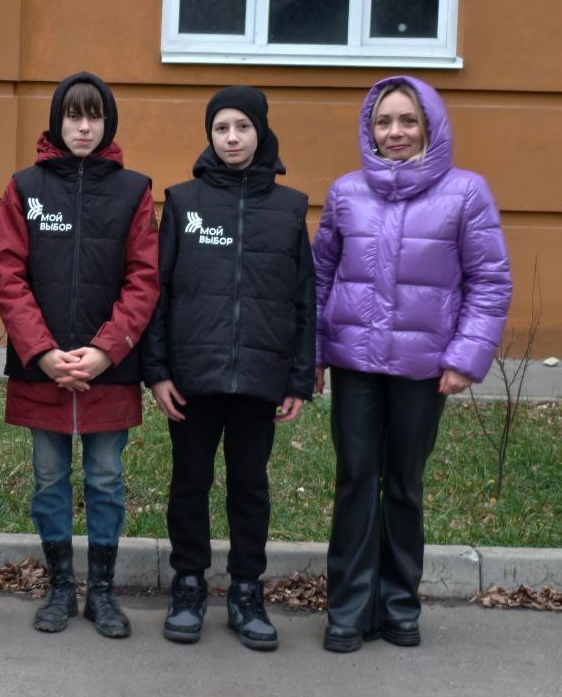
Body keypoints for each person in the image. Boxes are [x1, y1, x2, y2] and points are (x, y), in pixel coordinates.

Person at [314, 75, 510, 653]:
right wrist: (316, 354)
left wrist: (465, 358)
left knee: (403, 486)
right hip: (355, 366)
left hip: (425, 370)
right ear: (369, 130)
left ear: (429, 125)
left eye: (406, 121)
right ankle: (348, 608)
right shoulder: (347, 192)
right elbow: (320, 276)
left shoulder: (467, 192)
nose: (395, 132)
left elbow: (489, 282)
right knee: (355, 481)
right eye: (383, 122)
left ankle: (399, 604)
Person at [141, 86, 315, 651]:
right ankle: (188, 584)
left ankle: (246, 590)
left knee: (250, 487)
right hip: (193, 376)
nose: (233, 137)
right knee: (188, 483)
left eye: (242, 126)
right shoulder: (185, 202)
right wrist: (158, 370)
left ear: (261, 131)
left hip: (259, 379)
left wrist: (298, 377)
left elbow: (304, 299)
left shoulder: (290, 208)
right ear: (209, 136)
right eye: (221, 128)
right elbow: (159, 292)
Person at [0, 72, 160, 638]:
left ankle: (104, 593)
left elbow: (144, 279)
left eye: (93, 116)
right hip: (43, 370)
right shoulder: (25, 187)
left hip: (108, 371)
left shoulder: (134, 190)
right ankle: (62, 587)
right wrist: (41, 353)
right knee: (48, 479)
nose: (83, 127)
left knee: (107, 478)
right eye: (72, 116)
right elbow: (9, 276)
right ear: (57, 122)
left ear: (107, 122)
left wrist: (104, 352)